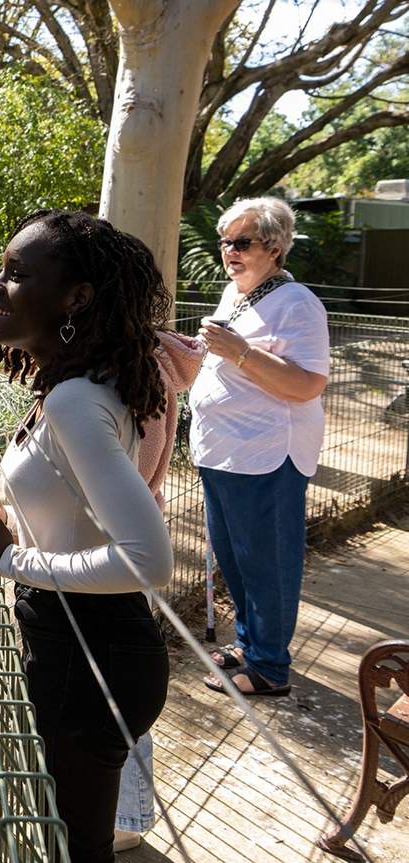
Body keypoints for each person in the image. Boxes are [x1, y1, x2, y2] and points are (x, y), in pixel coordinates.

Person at [0, 209, 174, 863]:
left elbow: (146, 558)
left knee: (73, 851)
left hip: (89, 658)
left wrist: (10, 557)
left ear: (75, 298)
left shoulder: (75, 399)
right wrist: (11, 502)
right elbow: (81, 502)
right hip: (84, 645)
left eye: (18, 274)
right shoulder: (75, 389)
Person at [191, 196, 329, 698]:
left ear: (273, 247)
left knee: (267, 562)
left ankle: (270, 666)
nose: (229, 251)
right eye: (224, 242)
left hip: (266, 454)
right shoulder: (236, 294)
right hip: (223, 452)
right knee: (236, 559)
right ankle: (251, 643)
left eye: (241, 242)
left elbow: (307, 384)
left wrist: (241, 353)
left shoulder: (298, 303)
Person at [115, 329, 205, 853]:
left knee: (119, 693)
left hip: (117, 556)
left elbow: (134, 469)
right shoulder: (139, 366)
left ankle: (124, 818)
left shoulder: (135, 372)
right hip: (117, 552)